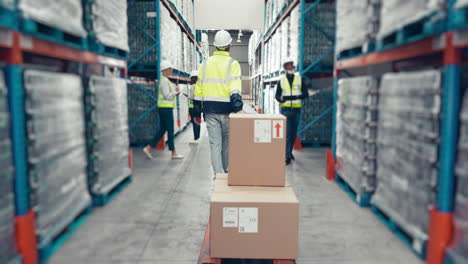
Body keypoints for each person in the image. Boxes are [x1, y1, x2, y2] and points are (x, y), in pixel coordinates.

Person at [193, 30, 244, 174]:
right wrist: (238, 107)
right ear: (229, 45)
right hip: (227, 111)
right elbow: (234, 88)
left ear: (215, 46)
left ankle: (218, 177)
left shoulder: (205, 63)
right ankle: (226, 173)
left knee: (215, 145)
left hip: (210, 111)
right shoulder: (233, 64)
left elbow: (199, 89)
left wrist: (196, 112)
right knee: (226, 144)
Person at [143, 60, 184, 160]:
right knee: (170, 130)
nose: (171, 70)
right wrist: (176, 92)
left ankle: (148, 148)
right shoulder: (164, 81)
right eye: (170, 69)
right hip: (165, 108)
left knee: (163, 130)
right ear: (165, 70)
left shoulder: (165, 80)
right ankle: (173, 152)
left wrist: (175, 91)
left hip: (164, 108)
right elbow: (167, 96)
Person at [275, 57, 308, 165]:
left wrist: (295, 97)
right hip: (286, 110)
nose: (290, 67)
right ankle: (287, 155)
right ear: (285, 67)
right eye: (288, 65)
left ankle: (289, 152)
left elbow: (305, 94)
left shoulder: (299, 79)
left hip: (297, 110)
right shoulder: (281, 81)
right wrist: (281, 99)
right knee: (288, 133)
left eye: (291, 65)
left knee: (293, 133)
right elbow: (277, 95)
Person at [183, 70, 201, 144]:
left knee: (195, 122)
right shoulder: (200, 86)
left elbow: (191, 97)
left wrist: (187, 96)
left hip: (194, 107)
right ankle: (197, 137)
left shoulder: (193, 87)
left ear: (194, 78)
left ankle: (196, 138)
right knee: (198, 122)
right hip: (199, 106)